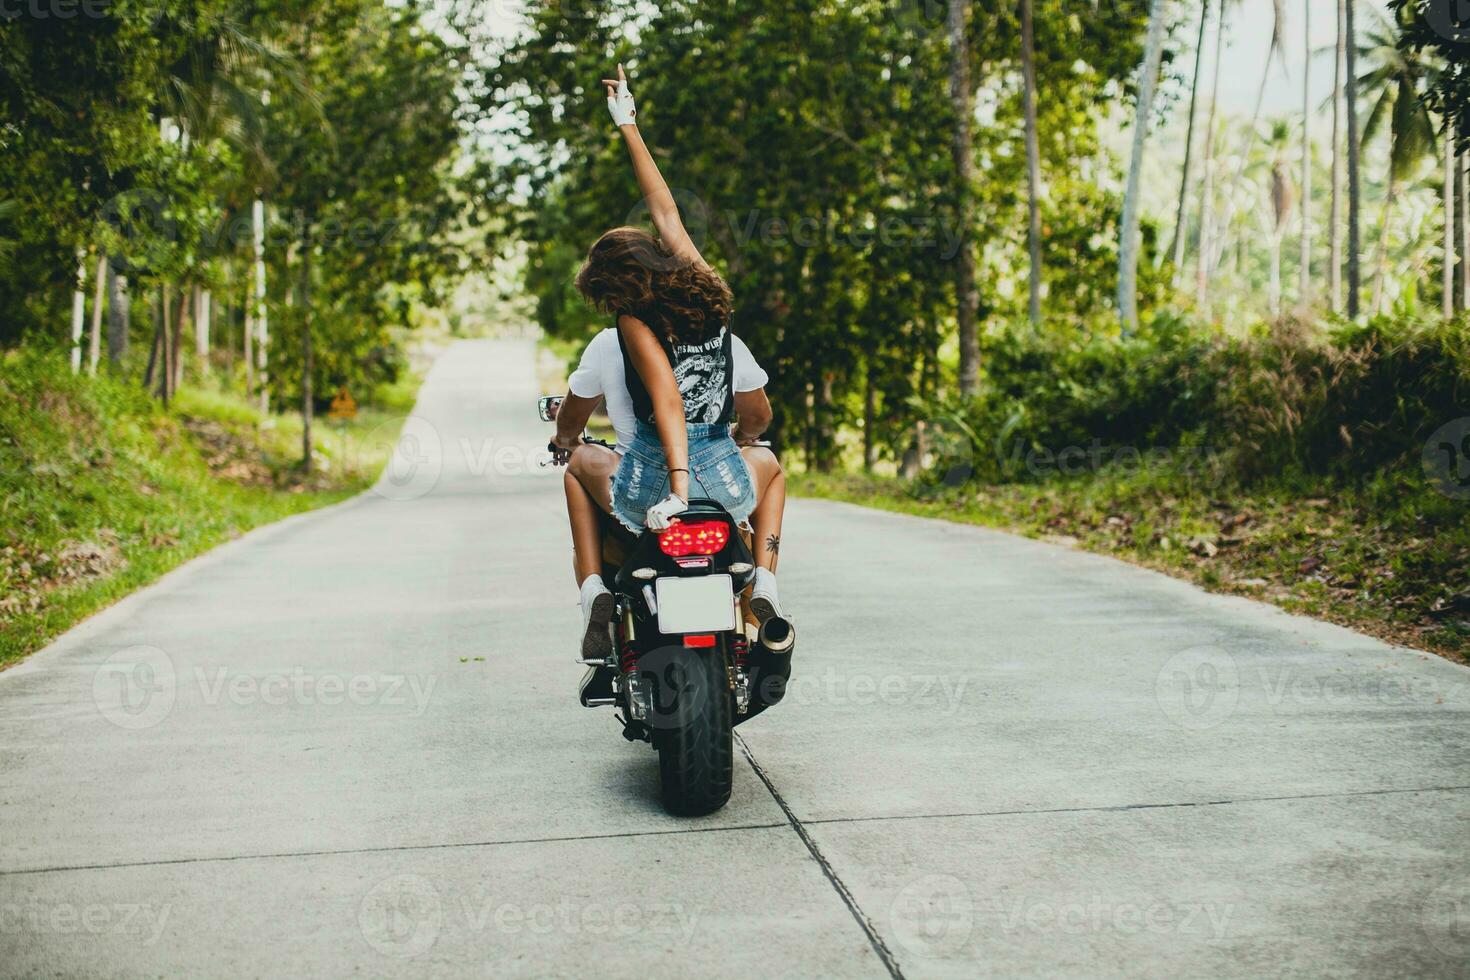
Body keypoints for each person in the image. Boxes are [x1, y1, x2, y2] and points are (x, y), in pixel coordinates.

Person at [550, 64, 788, 663]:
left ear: (612, 286)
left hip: (656, 486)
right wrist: (628, 124)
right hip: (726, 483)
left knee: (577, 465)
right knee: (774, 470)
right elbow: (666, 208)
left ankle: (593, 593)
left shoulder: (632, 321)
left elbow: (667, 402)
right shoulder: (709, 291)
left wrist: (678, 492)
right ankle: (765, 580)